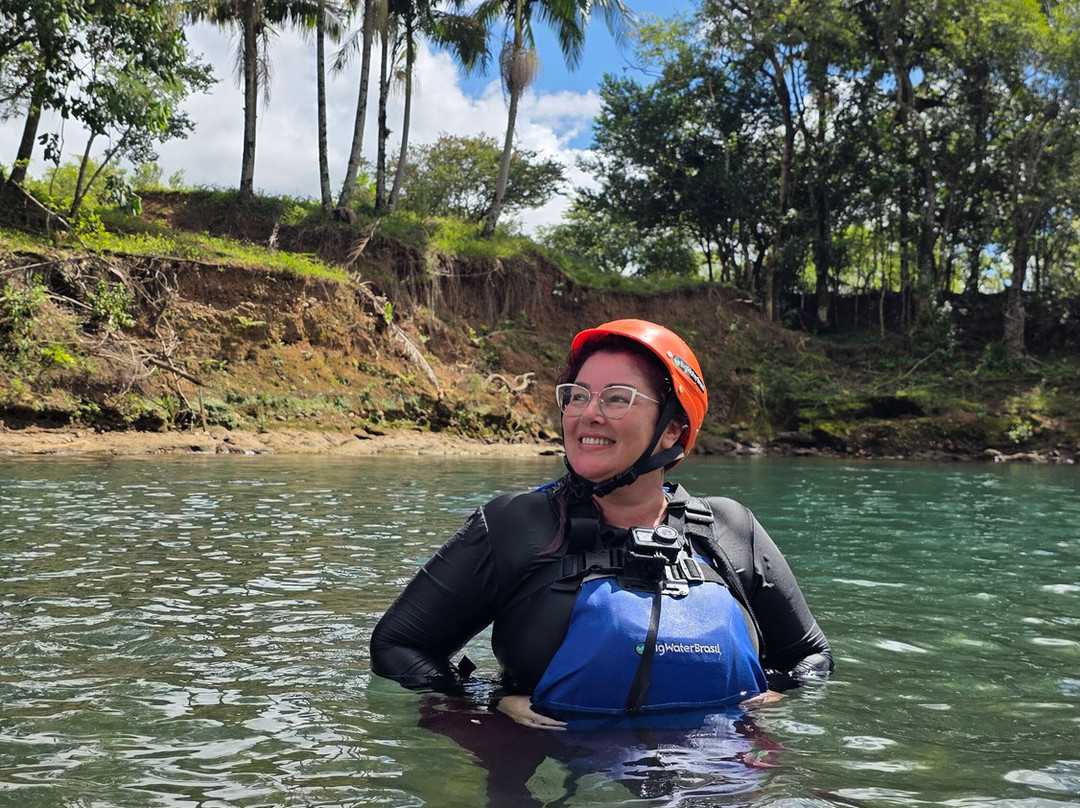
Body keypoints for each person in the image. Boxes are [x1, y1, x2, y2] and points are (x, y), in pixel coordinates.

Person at [370, 319, 832, 729]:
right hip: (552, 770)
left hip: (713, 765)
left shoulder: (731, 530)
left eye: (616, 399)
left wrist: (772, 695)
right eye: (577, 396)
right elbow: (398, 647)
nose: (587, 413)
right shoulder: (515, 525)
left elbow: (811, 657)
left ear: (672, 428)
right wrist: (487, 705)